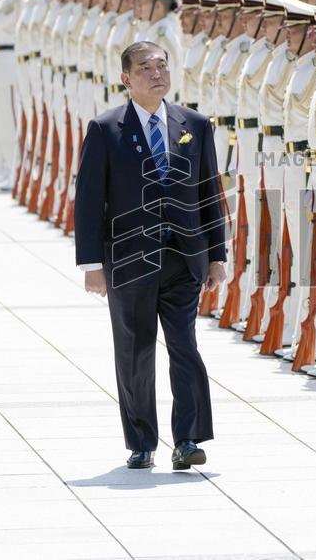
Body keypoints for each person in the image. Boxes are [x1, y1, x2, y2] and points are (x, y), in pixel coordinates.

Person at [73, 40, 227, 470]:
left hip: (183, 258)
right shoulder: (106, 129)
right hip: (128, 260)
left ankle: (189, 438)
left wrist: (217, 255)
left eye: (162, 66)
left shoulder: (194, 124)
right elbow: (88, 201)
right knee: (135, 350)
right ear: (126, 78)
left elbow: (208, 193)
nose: (156, 74)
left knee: (185, 346)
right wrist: (92, 266)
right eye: (145, 68)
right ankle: (141, 441)